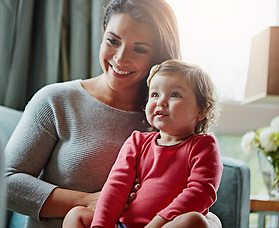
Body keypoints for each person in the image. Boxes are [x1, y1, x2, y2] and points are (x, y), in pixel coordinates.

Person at [5, 0, 221, 228]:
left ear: (157, 58)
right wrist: (89, 202)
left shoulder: (166, 118)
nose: (120, 58)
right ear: (102, 35)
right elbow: (4, 183)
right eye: (113, 41)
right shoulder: (55, 101)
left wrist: (206, 223)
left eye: (139, 49)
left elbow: (199, 196)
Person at [63, 59, 223, 228]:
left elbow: (199, 193)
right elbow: (116, 187)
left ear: (201, 110)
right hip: (122, 224)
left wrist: (156, 224)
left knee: (195, 221)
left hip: (164, 225)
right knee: (76, 215)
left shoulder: (204, 146)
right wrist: (101, 226)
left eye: (175, 94)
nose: (161, 101)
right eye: (155, 94)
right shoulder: (137, 141)